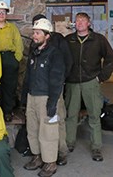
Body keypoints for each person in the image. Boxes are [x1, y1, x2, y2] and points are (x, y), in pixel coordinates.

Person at [65, 12, 113, 161]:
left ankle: (96, 147)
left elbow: (110, 58)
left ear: (89, 23)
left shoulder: (98, 39)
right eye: (77, 21)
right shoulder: (68, 40)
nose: (79, 23)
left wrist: (101, 77)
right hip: (72, 83)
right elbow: (61, 59)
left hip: (91, 81)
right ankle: (69, 142)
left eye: (83, 20)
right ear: (74, 23)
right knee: (71, 114)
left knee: (94, 115)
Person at [22, 18, 65, 177]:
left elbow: (57, 80)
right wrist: (24, 98)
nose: (34, 35)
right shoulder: (34, 52)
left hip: (46, 97)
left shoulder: (55, 54)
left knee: (48, 131)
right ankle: (37, 157)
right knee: (32, 129)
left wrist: (53, 103)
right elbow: (27, 77)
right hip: (32, 96)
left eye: (38, 33)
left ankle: (50, 163)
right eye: (34, 32)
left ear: (47, 35)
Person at [31, 13, 73, 166]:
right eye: (34, 26)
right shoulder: (35, 44)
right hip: (39, 90)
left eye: (39, 27)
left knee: (57, 120)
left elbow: (67, 62)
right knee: (42, 124)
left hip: (54, 88)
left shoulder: (58, 41)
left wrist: (60, 81)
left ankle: (61, 152)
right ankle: (43, 155)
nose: (35, 31)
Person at [0, 0, 24, 122]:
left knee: (9, 87)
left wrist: (16, 60)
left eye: (3, 12)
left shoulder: (12, 28)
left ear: (6, 14)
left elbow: (19, 45)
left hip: (9, 58)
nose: (1, 14)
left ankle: (8, 111)